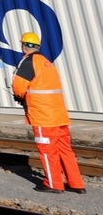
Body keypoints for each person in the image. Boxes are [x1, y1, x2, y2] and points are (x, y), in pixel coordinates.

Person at [12, 31, 86, 194]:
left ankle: (53, 184)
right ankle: (76, 183)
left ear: (24, 46)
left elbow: (18, 87)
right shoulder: (48, 63)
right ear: (37, 46)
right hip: (59, 115)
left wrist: (19, 97)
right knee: (65, 150)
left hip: (43, 116)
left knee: (47, 151)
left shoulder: (27, 62)